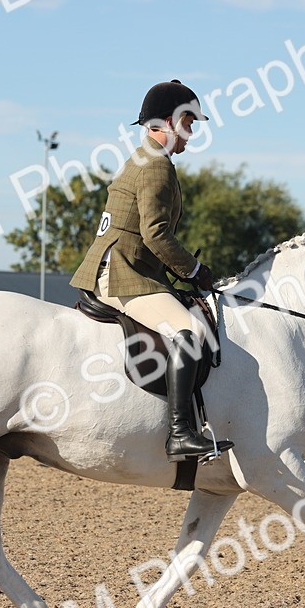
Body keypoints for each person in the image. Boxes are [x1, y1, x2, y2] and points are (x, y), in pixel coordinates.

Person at [70, 80, 233, 463]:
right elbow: (156, 234)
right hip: (123, 272)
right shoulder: (156, 166)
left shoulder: (143, 159)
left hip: (121, 265)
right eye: (189, 123)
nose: (191, 135)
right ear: (168, 122)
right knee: (190, 331)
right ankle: (180, 434)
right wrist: (193, 269)